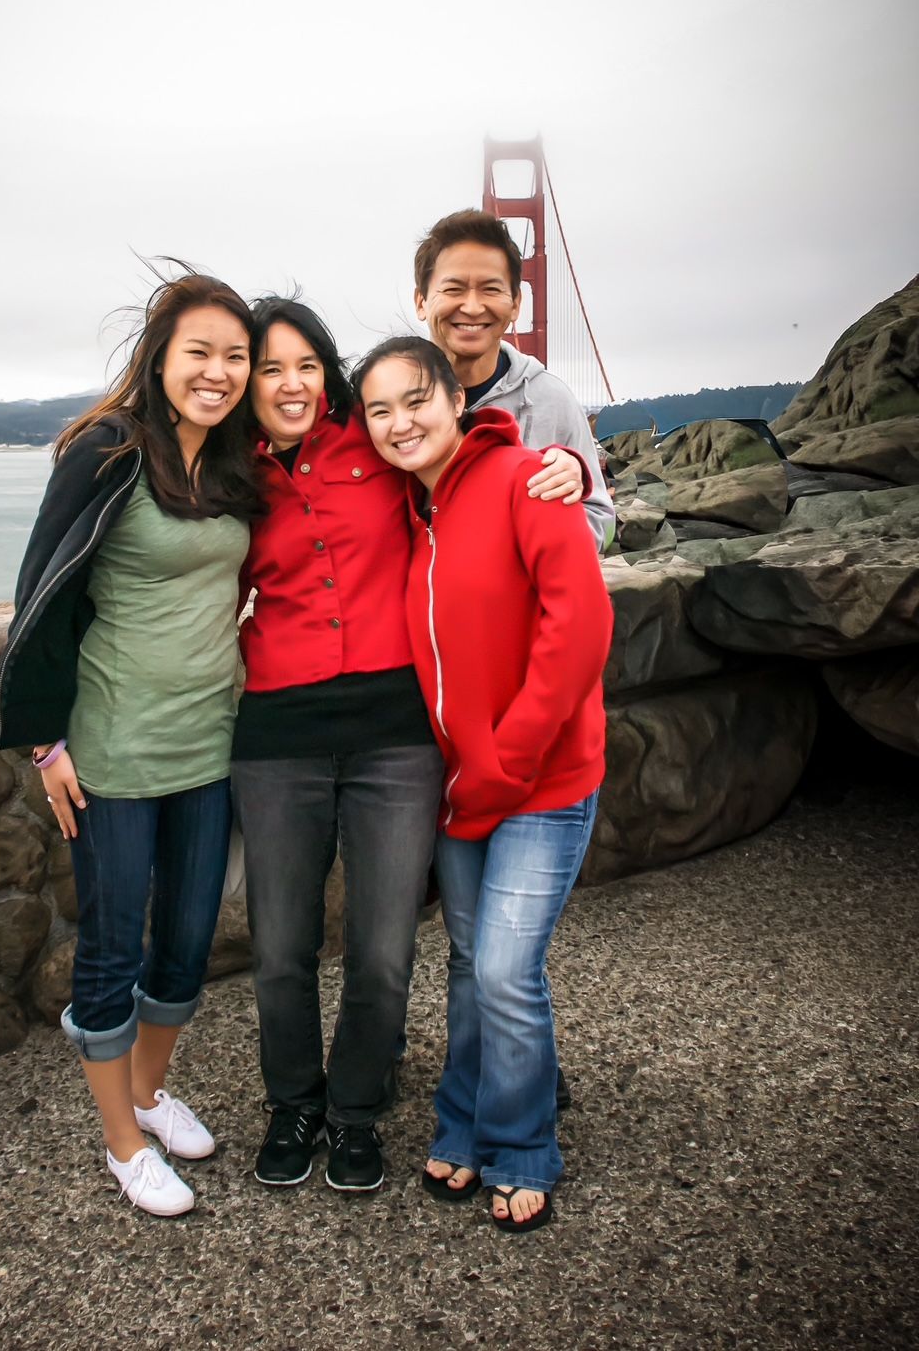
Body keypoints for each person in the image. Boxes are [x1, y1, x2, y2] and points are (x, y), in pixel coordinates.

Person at [230, 296, 588, 1194]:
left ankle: (356, 1110)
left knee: (386, 948)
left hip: (395, 735)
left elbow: (466, 449)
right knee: (281, 947)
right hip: (278, 734)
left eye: (306, 365)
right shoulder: (229, 476)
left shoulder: (371, 439)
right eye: (269, 368)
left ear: (328, 376)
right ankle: (294, 1104)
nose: (290, 384)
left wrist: (572, 463)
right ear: (246, 383)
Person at [0, 272, 262, 1217]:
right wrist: (43, 744)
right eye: (200, 352)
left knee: (186, 943)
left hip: (209, 742)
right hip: (113, 748)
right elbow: (41, 591)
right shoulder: (108, 452)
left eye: (237, 356)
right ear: (159, 357)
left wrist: (567, 468)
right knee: (112, 949)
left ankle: (148, 1093)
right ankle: (122, 1144)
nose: (219, 372)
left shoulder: (235, 462)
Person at [356, 335, 612, 1234]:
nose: (400, 423)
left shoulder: (528, 479)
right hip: (463, 791)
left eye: (415, 400)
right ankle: (461, 1121)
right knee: (471, 965)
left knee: (504, 968)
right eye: (379, 410)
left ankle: (522, 1144)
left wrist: (511, 755)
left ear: (457, 399)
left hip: (542, 783)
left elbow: (581, 625)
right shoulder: (410, 510)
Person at [413, 208, 615, 551]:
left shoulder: (552, 400)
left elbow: (600, 521)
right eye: (454, 289)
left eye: (491, 289)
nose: (473, 307)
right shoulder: (385, 402)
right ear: (421, 301)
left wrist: (562, 501)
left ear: (516, 303)